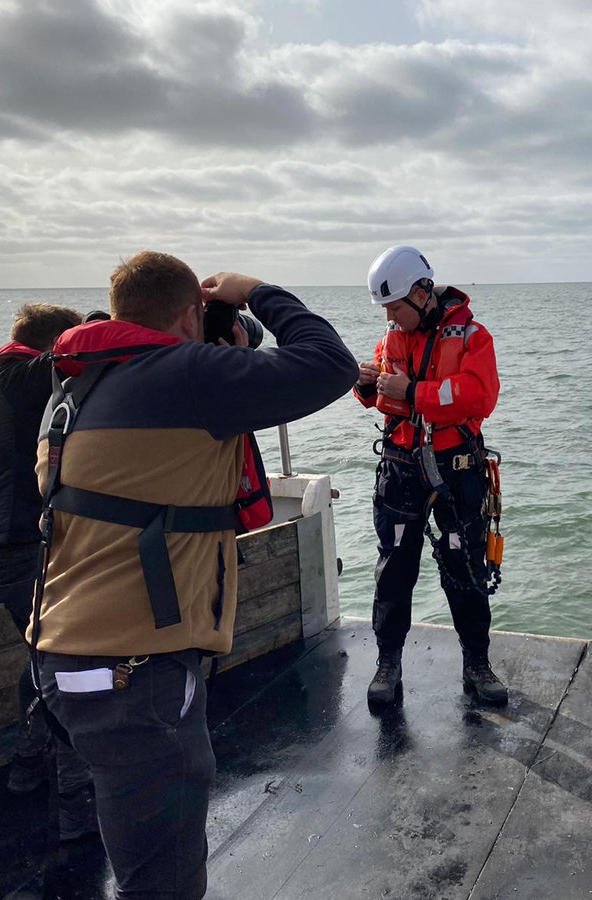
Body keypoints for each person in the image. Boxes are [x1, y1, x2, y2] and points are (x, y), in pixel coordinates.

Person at [30, 250, 356, 900]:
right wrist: (256, 290)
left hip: (66, 655)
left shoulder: (75, 386)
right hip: (134, 670)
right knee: (164, 880)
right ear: (189, 315)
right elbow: (330, 364)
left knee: (140, 843)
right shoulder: (184, 375)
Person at [0, 303, 99, 840]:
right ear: (51, 344)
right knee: (70, 666)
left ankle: (26, 763)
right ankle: (76, 802)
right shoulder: (23, 377)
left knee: (42, 654)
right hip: (19, 551)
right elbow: (88, 348)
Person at [353, 245, 507, 707]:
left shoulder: (473, 337)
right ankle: (388, 664)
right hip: (401, 469)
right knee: (394, 569)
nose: (390, 317)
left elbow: (479, 396)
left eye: (395, 307)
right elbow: (383, 393)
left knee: (465, 568)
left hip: (456, 471)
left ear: (422, 294)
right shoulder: (393, 337)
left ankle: (477, 663)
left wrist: (414, 392)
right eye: (385, 309)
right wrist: (366, 385)